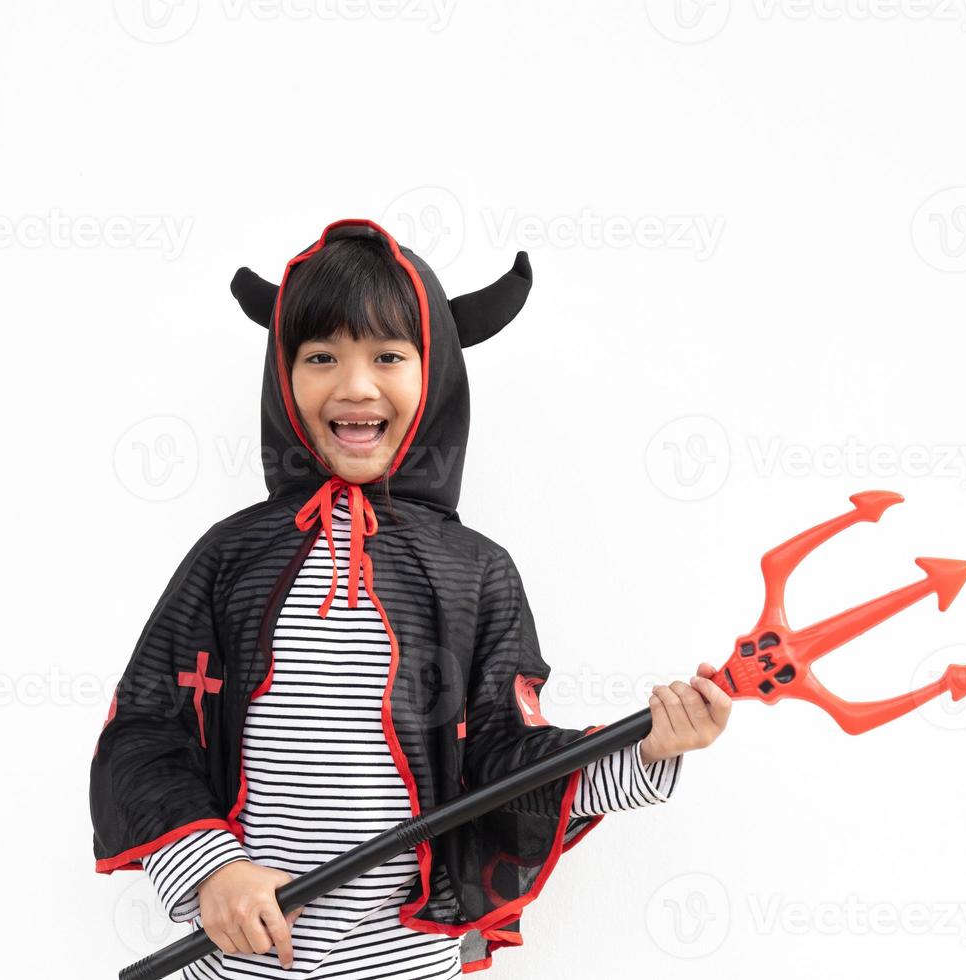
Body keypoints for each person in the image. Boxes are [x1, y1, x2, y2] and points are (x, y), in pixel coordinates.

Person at [90, 218, 732, 977]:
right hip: (237, 965)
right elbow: (143, 732)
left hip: (402, 964)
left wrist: (646, 748)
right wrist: (210, 870)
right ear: (283, 376)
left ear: (438, 374)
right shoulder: (229, 557)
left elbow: (503, 762)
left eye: (388, 356)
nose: (355, 385)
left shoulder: (476, 572)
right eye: (321, 355)